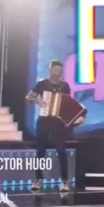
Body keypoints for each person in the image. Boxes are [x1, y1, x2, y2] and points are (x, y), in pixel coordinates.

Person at [26, 60, 72, 193]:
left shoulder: (64, 86)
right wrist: (38, 101)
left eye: (59, 71)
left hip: (57, 122)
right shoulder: (42, 84)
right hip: (44, 120)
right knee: (40, 150)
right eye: (55, 70)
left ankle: (64, 181)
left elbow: (68, 103)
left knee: (61, 150)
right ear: (50, 70)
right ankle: (38, 179)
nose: (57, 73)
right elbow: (28, 99)